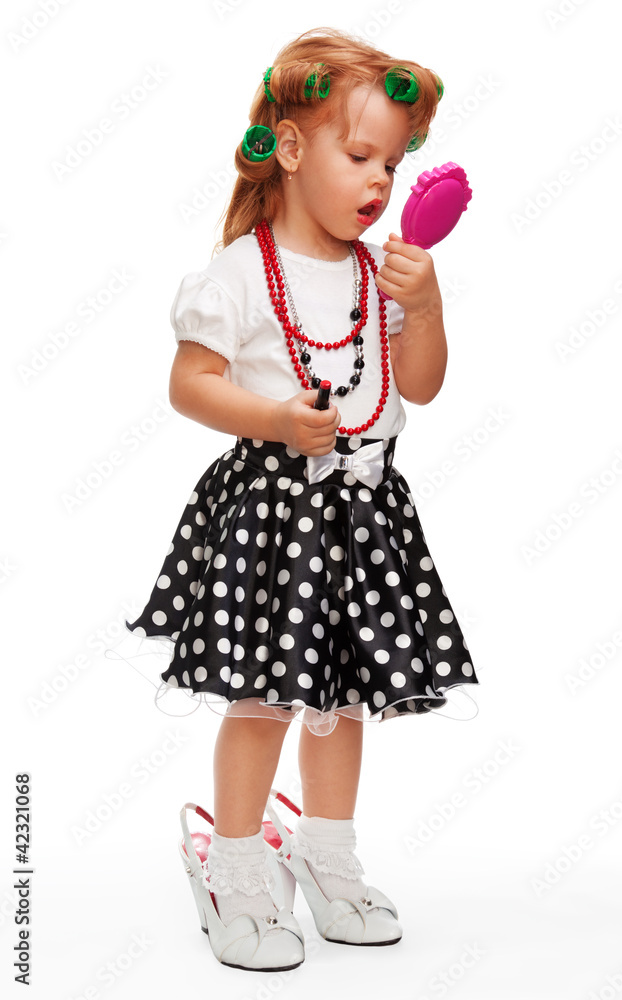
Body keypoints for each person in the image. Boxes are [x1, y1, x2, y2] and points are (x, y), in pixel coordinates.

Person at [123, 26, 479, 971]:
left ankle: (325, 848)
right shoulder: (239, 273)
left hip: (366, 512)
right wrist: (276, 419)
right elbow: (189, 384)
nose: (378, 181)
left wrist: (430, 308)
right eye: (357, 154)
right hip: (272, 515)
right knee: (262, 699)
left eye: (393, 165)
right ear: (288, 150)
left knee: (345, 703)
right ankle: (233, 865)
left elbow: (424, 384)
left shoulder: (383, 276)